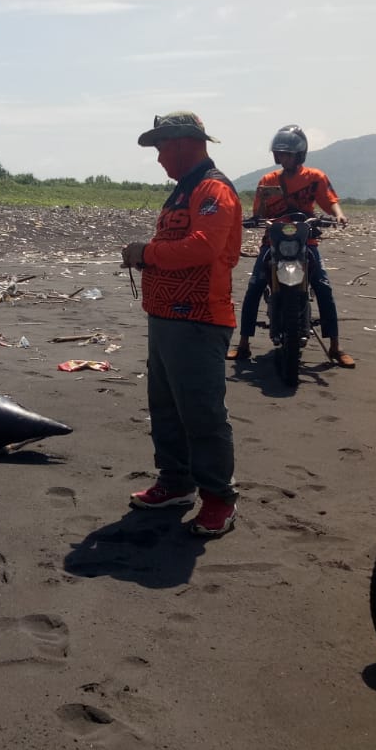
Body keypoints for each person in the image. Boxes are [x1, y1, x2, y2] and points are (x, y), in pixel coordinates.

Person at [120, 111, 243, 537]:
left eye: (161, 147)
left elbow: (203, 247)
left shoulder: (213, 189)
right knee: (167, 407)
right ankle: (175, 483)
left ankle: (218, 500)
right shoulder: (182, 192)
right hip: (165, 317)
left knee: (202, 412)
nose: (158, 158)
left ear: (186, 143)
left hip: (199, 318)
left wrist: (145, 253)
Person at [229, 125, 354, 368]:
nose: (283, 157)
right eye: (280, 153)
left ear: (299, 155)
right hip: (272, 241)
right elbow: (258, 214)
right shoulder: (267, 180)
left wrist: (339, 215)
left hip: (305, 240)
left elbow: (330, 201)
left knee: (323, 287)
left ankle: (335, 347)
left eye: (287, 153)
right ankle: (243, 344)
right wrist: (262, 206)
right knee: (254, 286)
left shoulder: (315, 177)